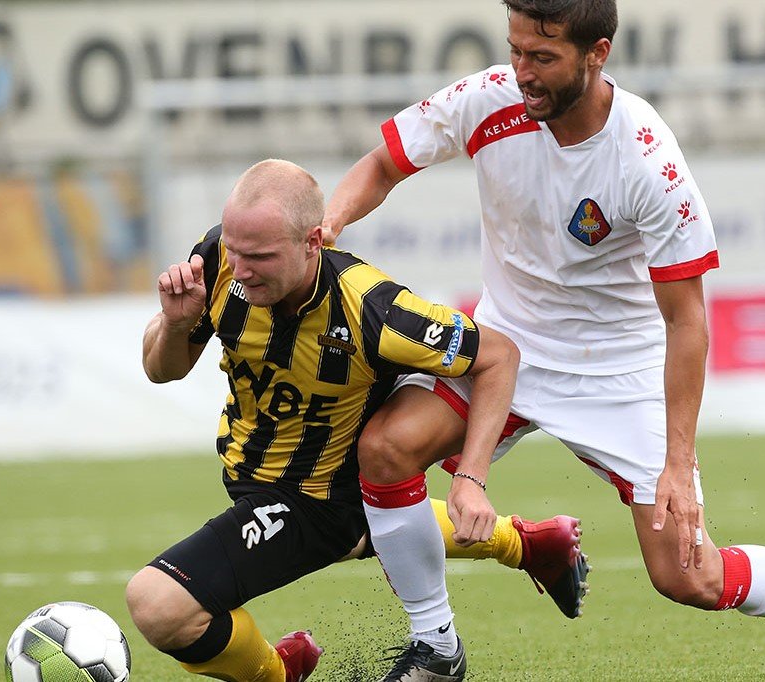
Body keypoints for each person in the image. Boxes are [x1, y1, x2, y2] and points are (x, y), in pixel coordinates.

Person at [322, 2, 765, 681]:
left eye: (543, 57)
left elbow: (687, 321)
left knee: (687, 576)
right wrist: (330, 223)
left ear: (597, 53)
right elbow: (382, 164)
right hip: (504, 350)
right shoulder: (487, 99)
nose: (522, 72)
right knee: (383, 451)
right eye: (516, 50)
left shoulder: (646, 159)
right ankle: (437, 651)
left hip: (619, 371)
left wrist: (677, 462)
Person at [124, 159, 588, 682]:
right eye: (234, 249)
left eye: (260, 256)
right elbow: (161, 370)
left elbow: (499, 356)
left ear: (312, 242)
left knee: (158, 603)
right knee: (384, 525)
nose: (242, 268)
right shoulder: (217, 261)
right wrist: (176, 323)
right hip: (259, 477)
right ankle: (531, 544)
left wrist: (471, 476)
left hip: (312, 502)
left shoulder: (374, 309)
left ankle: (280, 674)